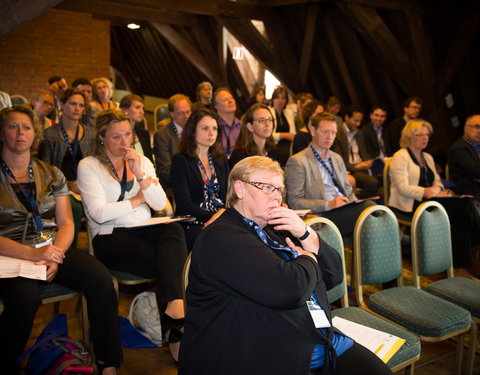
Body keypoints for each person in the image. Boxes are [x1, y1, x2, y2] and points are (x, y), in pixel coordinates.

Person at [179, 156, 393, 375]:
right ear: (240, 189)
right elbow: (291, 289)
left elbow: (333, 275)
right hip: (274, 353)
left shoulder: (274, 228)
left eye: (279, 190)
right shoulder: (222, 237)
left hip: (320, 339)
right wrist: (308, 258)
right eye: (266, 187)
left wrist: (306, 233)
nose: (276, 196)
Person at [0, 105, 122, 375]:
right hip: (9, 255)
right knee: (25, 298)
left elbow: (67, 222)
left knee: (101, 279)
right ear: (2, 132)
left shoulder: (51, 172)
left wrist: (53, 253)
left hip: (52, 246)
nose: (20, 132)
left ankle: (108, 362)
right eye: (12, 126)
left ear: (36, 134)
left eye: (27, 127)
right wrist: (33, 255)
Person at [77, 109, 188, 362]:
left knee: (174, 229)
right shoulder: (89, 166)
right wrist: (137, 199)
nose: (125, 142)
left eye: (128, 134)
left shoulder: (142, 161)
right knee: (170, 263)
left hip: (144, 228)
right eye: (116, 137)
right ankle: (176, 329)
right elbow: (98, 213)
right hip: (110, 236)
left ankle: (174, 311)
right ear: (102, 137)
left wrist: (140, 174)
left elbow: (160, 203)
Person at [389, 119, 480, 279]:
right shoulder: (400, 156)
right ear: (409, 137)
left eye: (427, 135)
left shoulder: (428, 157)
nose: (425, 138)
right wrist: (426, 191)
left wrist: (437, 190)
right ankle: (459, 264)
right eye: (420, 135)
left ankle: (458, 266)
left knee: (463, 214)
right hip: (410, 203)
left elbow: (438, 181)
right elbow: (403, 188)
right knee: (466, 206)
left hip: (431, 200)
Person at [285, 112, 375, 237]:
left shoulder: (337, 158)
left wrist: (354, 203)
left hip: (344, 209)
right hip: (323, 215)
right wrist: (328, 204)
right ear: (313, 130)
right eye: (325, 132)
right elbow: (294, 202)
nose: (329, 137)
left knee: (373, 212)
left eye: (333, 133)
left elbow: (349, 192)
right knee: (370, 209)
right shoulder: (298, 161)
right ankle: (403, 242)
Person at [38, 88, 95, 244]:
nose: (77, 108)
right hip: (60, 188)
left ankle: (100, 250)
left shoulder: (90, 134)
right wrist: (69, 185)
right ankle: (69, 250)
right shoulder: (49, 134)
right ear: (62, 104)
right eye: (72, 104)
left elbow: (95, 164)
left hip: (86, 185)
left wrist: (85, 184)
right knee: (74, 207)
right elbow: (45, 170)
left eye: (81, 105)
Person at [171, 108, 229, 250]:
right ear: (192, 131)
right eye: (205, 128)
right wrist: (215, 216)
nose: (211, 133)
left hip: (223, 218)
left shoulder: (220, 160)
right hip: (194, 221)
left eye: (215, 129)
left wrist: (222, 215)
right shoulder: (181, 161)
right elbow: (184, 204)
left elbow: (230, 195)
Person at [333, 106, 379, 198]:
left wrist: (368, 161)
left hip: (361, 167)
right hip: (348, 169)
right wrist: (356, 167)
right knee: (372, 183)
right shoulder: (337, 134)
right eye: (355, 120)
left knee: (381, 177)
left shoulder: (359, 133)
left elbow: (364, 153)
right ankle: (363, 207)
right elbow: (339, 161)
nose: (358, 124)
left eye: (360, 121)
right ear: (346, 118)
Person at [153, 94, 192, 198]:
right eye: (181, 113)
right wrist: (189, 180)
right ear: (172, 114)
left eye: (188, 112)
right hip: (176, 188)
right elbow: (164, 170)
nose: (186, 116)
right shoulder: (162, 135)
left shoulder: (197, 131)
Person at [228, 103, 278, 169]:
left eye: (270, 120)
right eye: (261, 120)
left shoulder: (272, 151)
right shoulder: (240, 156)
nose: (267, 124)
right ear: (250, 126)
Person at [448, 114, 480, 196]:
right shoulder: (458, 148)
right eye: (476, 127)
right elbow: (476, 171)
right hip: (469, 195)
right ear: (466, 128)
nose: (479, 131)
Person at [119, 94, 154, 163]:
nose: (142, 112)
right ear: (125, 110)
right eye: (138, 107)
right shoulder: (117, 136)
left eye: (142, 108)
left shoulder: (144, 135)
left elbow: (150, 162)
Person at [269, 86, 296, 166]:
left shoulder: (289, 112)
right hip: (273, 146)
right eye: (277, 98)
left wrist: (290, 136)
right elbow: (268, 135)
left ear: (286, 100)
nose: (280, 101)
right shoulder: (268, 112)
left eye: (283, 98)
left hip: (289, 146)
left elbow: (293, 133)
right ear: (273, 99)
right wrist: (284, 135)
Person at [213, 88, 241, 158]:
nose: (230, 101)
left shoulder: (242, 125)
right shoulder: (213, 127)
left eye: (231, 98)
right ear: (216, 106)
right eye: (225, 100)